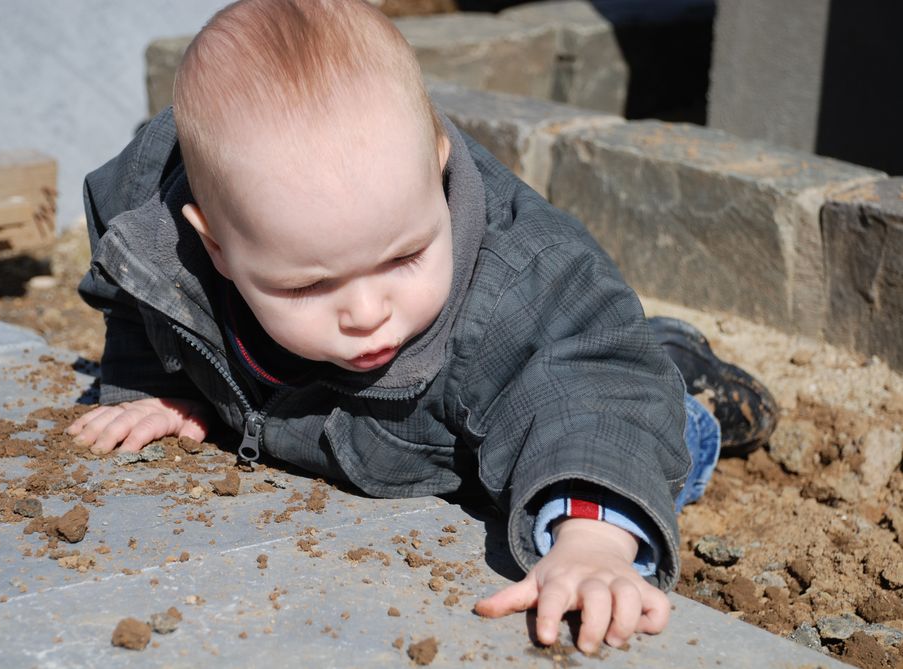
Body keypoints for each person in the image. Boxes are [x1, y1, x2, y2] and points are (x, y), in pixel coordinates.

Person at [68, 0, 776, 654]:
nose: (366, 311)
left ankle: (678, 372)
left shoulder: (516, 289)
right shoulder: (163, 226)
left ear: (436, 173)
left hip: (559, 400)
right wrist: (153, 380)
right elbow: (133, 280)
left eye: (404, 256)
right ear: (215, 244)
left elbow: (587, 391)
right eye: (309, 284)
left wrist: (590, 543)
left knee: (645, 422)